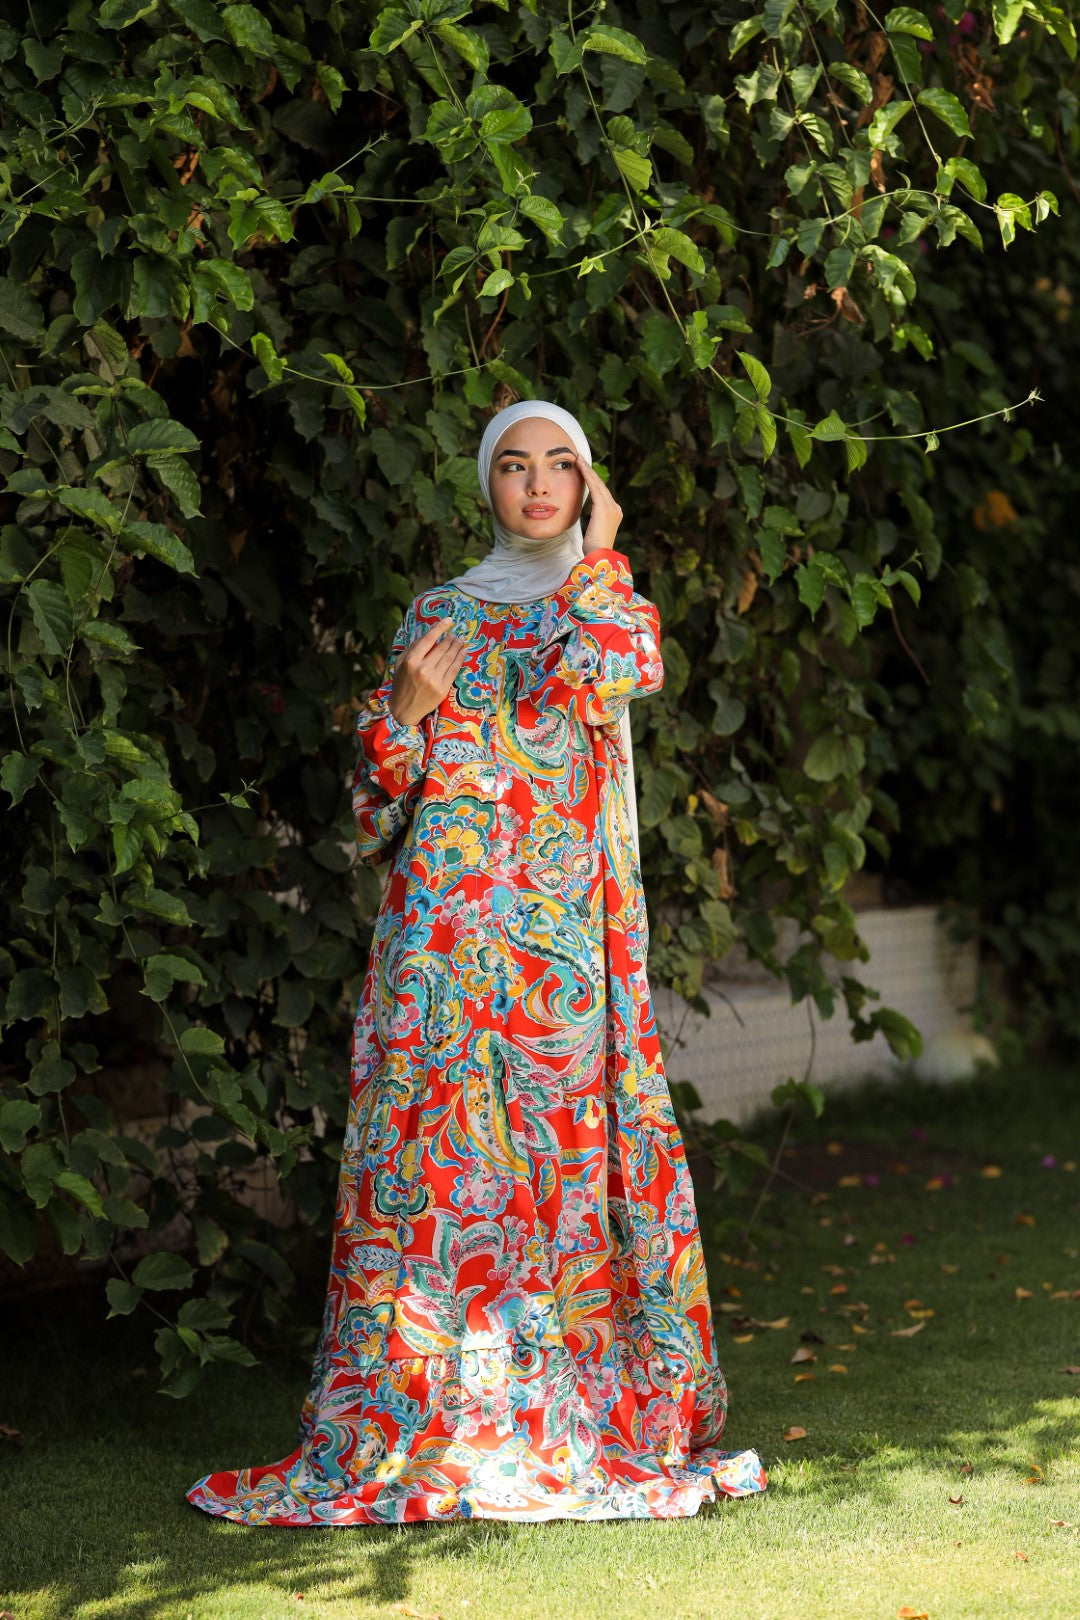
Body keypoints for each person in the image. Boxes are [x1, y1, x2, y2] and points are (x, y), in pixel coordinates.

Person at [185, 398, 767, 1524]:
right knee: (432, 1180)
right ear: (484, 484)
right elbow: (372, 818)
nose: (537, 485)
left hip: (560, 951)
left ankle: (551, 1415)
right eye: (513, 464)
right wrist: (402, 714)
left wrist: (602, 552)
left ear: (587, 486)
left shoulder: (599, 605)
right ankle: (417, 1414)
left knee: (552, 1174)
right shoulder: (439, 613)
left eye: (561, 465)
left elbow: (625, 665)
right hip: (439, 942)